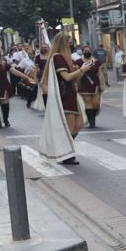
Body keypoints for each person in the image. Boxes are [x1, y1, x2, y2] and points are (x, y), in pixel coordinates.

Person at [39, 32, 89, 164]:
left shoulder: (66, 58)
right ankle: (66, 154)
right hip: (64, 96)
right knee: (71, 127)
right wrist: (81, 70)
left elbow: (74, 78)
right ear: (63, 44)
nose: (72, 44)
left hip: (71, 94)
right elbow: (66, 77)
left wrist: (82, 70)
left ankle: (65, 150)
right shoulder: (58, 58)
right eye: (70, 42)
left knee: (79, 123)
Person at [0, 49, 35, 128]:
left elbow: (15, 71)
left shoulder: (4, 64)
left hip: (3, 85)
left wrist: (27, 77)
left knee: (5, 104)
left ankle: (6, 120)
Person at [76, 45, 106, 128]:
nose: (87, 52)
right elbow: (77, 73)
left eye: (88, 51)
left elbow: (100, 74)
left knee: (96, 103)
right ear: (82, 52)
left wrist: (102, 84)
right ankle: (91, 120)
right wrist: (77, 83)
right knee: (88, 102)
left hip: (95, 84)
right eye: (85, 51)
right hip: (84, 84)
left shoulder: (96, 62)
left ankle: (93, 117)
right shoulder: (78, 62)